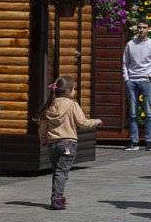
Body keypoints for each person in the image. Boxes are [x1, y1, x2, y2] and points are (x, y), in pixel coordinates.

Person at [37, 75, 102, 210]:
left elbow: (42, 127)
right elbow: (83, 123)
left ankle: (57, 195)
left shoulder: (50, 105)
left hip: (52, 143)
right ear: (68, 92)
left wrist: (43, 140)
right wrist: (97, 122)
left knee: (57, 171)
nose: (75, 92)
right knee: (63, 171)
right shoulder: (72, 105)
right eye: (74, 89)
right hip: (67, 143)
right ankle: (57, 198)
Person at [122, 18, 151, 151]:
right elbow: (125, 63)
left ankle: (149, 141)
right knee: (133, 113)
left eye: (144, 27)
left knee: (149, 113)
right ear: (136, 28)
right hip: (132, 81)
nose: (142, 30)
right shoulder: (130, 44)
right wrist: (127, 78)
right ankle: (134, 142)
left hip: (146, 81)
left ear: (148, 29)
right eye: (139, 27)